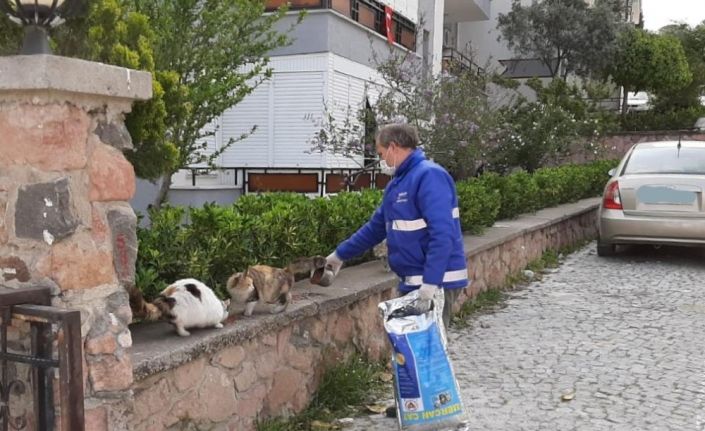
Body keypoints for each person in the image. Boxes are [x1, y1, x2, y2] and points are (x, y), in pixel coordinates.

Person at [325, 123, 468, 329]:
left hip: (435, 283)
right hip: (414, 282)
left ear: (393, 147)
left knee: (425, 356)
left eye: (381, 153)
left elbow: (443, 234)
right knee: (410, 354)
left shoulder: (429, 176)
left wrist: (429, 285)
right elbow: (375, 228)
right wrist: (339, 256)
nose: (381, 160)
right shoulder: (398, 183)